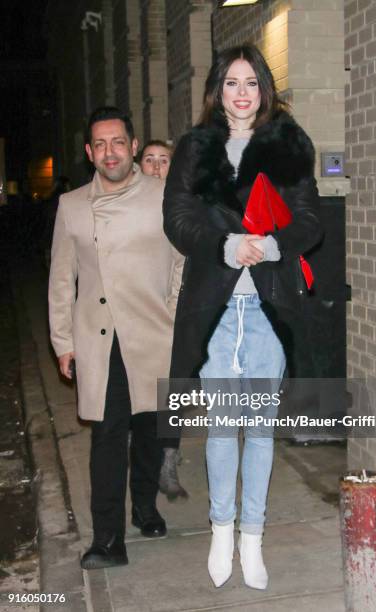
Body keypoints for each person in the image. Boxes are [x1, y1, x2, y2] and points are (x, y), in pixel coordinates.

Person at [163, 44, 322, 590]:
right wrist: (225, 245)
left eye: (251, 82)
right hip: (215, 308)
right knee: (220, 428)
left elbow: (310, 221)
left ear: (264, 89)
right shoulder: (195, 147)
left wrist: (273, 246)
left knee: (258, 430)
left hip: (267, 308)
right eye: (232, 83)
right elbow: (177, 219)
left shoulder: (287, 145)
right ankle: (221, 532)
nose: (242, 93)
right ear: (217, 91)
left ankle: (253, 537)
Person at [48, 106, 183, 569]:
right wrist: (63, 341)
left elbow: (183, 260)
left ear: (132, 145)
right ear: (90, 152)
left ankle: (144, 506)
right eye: (100, 144)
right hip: (100, 339)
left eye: (118, 142)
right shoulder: (71, 205)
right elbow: (61, 280)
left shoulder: (165, 196)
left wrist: (174, 311)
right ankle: (107, 539)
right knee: (107, 437)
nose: (110, 152)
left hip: (153, 334)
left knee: (150, 431)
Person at [136, 139, 188, 501]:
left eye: (163, 160)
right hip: (135, 315)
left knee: (173, 390)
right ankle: (141, 456)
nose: (156, 167)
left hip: (173, 314)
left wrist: (171, 309)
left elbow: (185, 262)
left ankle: (167, 460)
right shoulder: (130, 208)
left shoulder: (181, 207)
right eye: (149, 160)